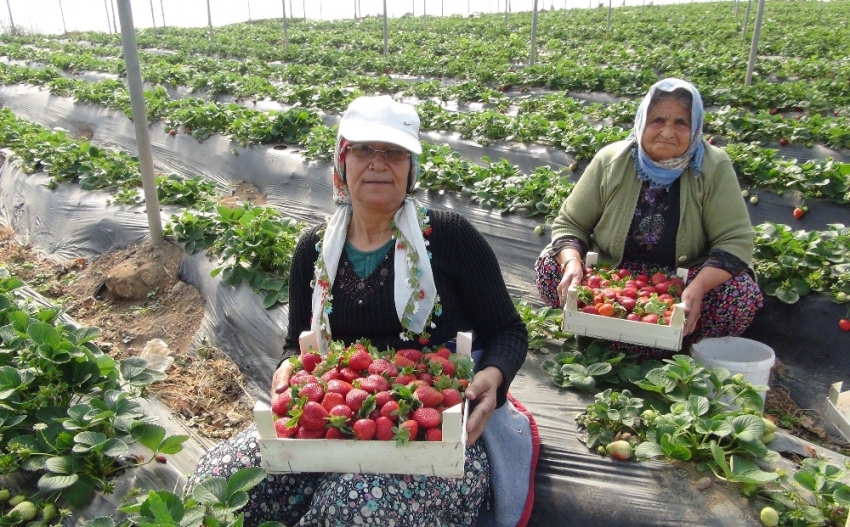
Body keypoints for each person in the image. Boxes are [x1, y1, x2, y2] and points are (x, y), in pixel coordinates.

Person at [189, 95, 531, 527]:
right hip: (336, 423)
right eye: (363, 150)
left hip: (437, 434)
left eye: (394, 152)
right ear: (341, 162)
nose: (378, 163)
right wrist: (286, 368)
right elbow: (294, 345)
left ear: (410, 169)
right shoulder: (313, 250)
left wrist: (493, 376)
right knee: (219, 479)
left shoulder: (450, 237)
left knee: (353, 506)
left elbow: (508, 330)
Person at [535, 78, 763, 360]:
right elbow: (571, 223)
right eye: (658, 120)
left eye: (681, 122)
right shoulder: (612, 161)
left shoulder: (713, 168)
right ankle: (625, 337)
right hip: (613, 277)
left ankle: (671, 343)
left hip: (681, 283)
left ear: (696, 128)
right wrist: (573, 264)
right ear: (642, 121)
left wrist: (697, 287)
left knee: (739, 293)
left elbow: (735, 242)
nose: (668, 132)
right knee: (551, 266)